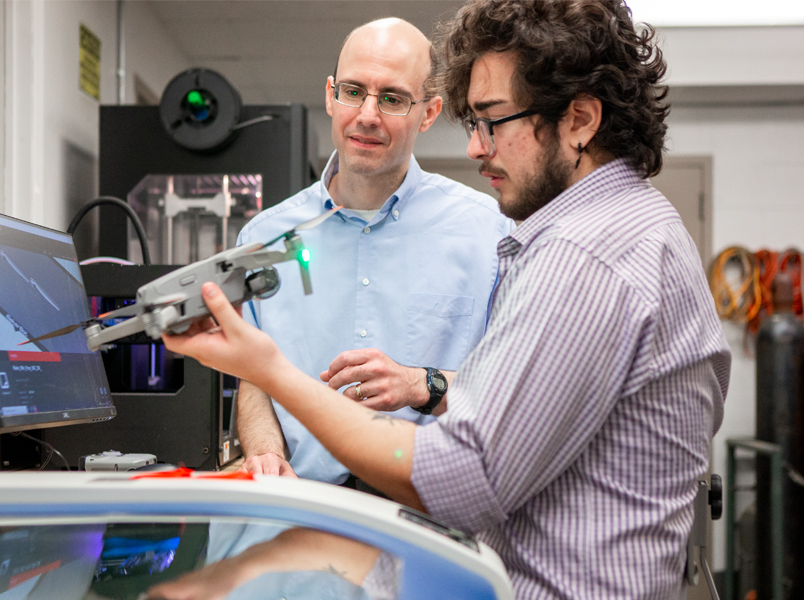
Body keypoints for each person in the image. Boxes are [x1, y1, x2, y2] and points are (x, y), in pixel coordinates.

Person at [164, 0, 731, 596]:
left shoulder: (583, 256)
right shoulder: (635, 229)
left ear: (580, 120)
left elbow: (461, 479)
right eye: (353, 91)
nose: (476, 149)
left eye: (492, 121)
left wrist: (273, 371)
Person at [235, 17, 512, 486]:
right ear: (329, 95)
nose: (366, 114)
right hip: (307, 514)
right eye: (352, 91)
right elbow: (254, 380)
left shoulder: (487, 233)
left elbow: (513, 390)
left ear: (427, 112)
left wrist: (419, 382)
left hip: (431, 513)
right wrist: (265, 452)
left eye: (392, 99)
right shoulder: (265, 238)